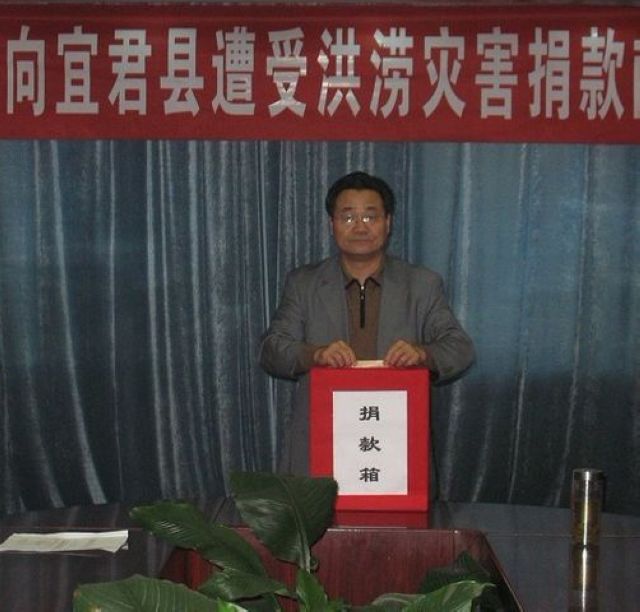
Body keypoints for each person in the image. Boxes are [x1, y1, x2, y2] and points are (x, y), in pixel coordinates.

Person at [259, 171, 474, 476]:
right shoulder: (303, 283)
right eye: (348, 217)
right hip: (322, 442)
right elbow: (271, 350)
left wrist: (422, 354)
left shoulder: (422, 284)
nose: (360, 226)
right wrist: (315, 354)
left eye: (370, 216)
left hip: (396, 444)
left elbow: (460, 349)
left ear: (388, 223)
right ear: (331, 224)